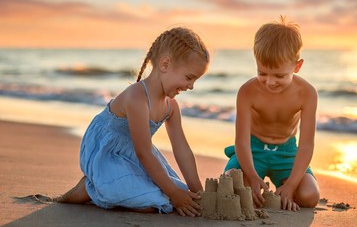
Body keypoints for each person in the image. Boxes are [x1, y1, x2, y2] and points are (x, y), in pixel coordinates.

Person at [54, 27, 210, 217]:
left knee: (172, 195)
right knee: (150, 203)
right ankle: (88, 187)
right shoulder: (137, 97)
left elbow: (182, 150)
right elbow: (143, 152)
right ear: (165, 64)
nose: (191, 86)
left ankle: (115, 184)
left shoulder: (172, 107)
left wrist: (198, 192)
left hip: (135, 155)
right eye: (189, 77)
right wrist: (173, 193)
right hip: (107, 151)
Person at [224, 16, 320, 211]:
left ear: (297, 66)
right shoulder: (247, 92)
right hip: (252, 150)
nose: (269, 82)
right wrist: (251, 176)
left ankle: (284, 184)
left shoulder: (307, 93)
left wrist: (291, 185)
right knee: (232, 188)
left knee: (310, 196)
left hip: (288, 153)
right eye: (262, 73)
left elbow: (306, 144)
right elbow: (241, 141)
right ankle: (254, 180)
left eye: (279, 75)